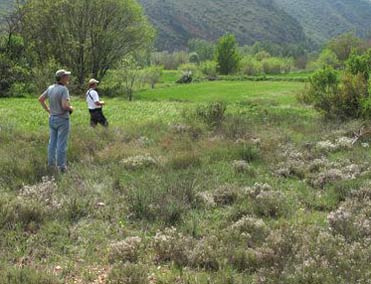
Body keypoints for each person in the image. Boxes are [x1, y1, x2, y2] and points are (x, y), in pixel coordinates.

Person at [38, 69, 73, 173]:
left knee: (52, 143)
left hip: (52, 118)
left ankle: (51, 164)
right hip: (62, 119)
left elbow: (40, 99)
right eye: (66, 76)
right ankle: (61, 167)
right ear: (62, 78)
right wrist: (71, 108)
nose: (68, 77)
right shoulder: (64, 89)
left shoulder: (50, 88)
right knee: (62, 143)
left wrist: (48, 110)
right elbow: (64, 106)